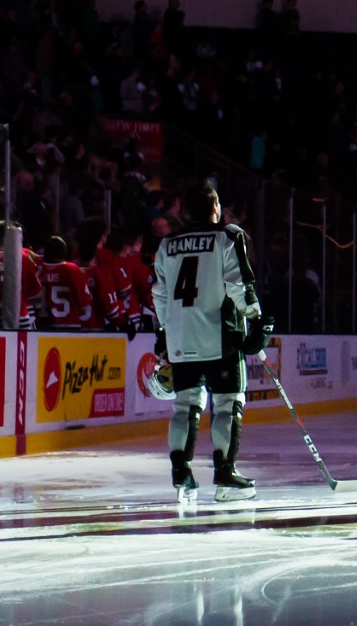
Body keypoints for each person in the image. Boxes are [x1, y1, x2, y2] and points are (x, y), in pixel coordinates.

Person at [151, 181, 265, 502]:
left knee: (185, 403)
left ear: (185, 212)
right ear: (215, 209)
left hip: (181, 336)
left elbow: (159, 293)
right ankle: (225, 474)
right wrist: (255, 318)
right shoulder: (227, 236)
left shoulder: (167, 243)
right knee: (228, 402)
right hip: (220, 335)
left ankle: (180, 473)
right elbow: (239, 282)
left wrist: (164, 333)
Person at [36, 236, 93, 331]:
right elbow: (84, 304)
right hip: (70, 326)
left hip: (42, 327)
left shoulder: (38, 270)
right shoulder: (73, 270)